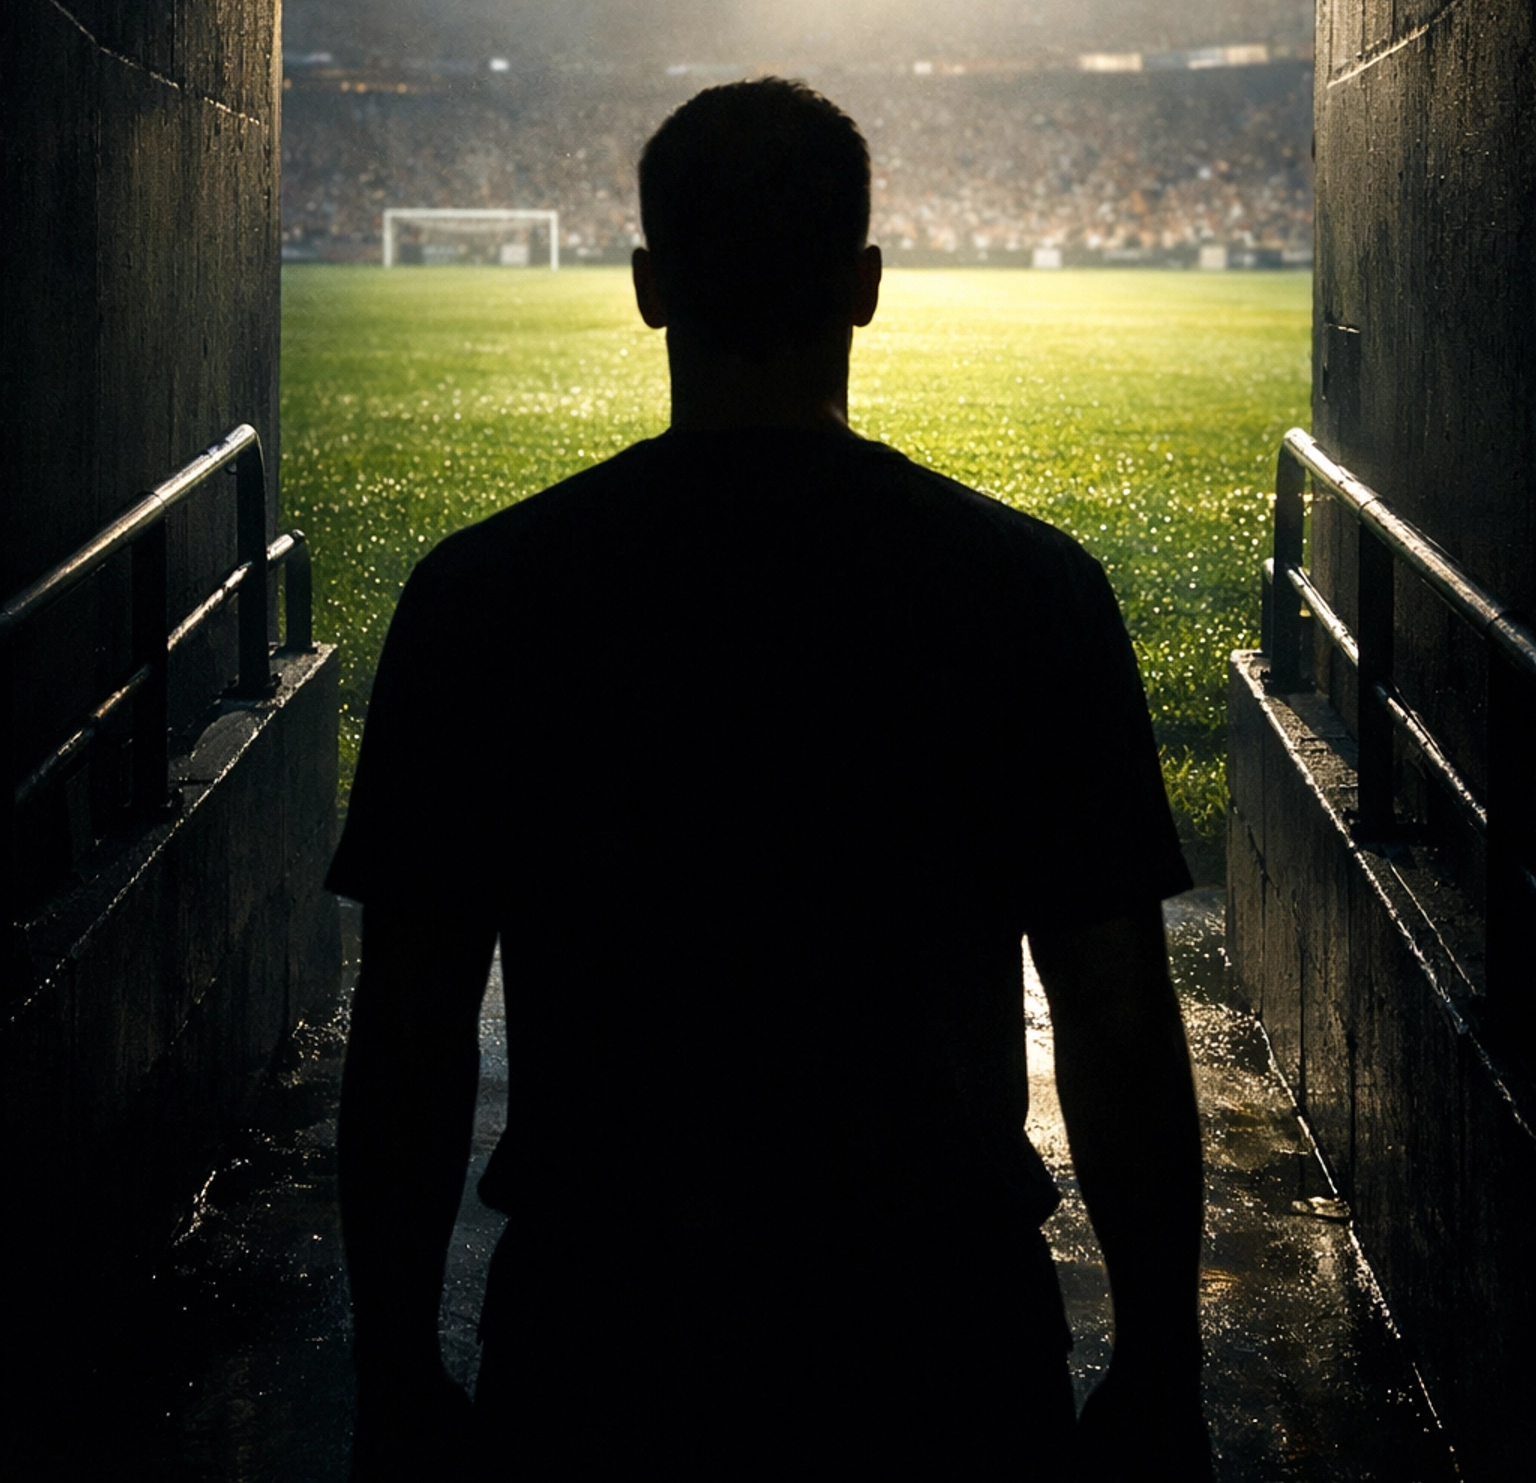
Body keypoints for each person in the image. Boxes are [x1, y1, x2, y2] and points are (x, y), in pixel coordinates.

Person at [331, 77, 1212, 1482]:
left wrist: (391, 1369)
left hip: (603, 1331)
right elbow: (1114, 1014)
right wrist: (1162, 1363)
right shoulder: (1028, 591)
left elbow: (412, 1027)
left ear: (647, 288)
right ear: (866, 286)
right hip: (940, 1330)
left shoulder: (484, 597)